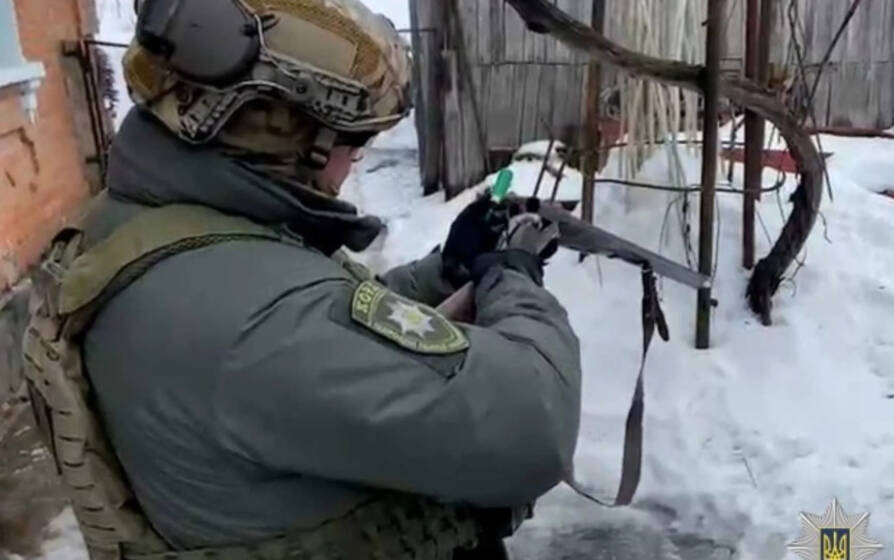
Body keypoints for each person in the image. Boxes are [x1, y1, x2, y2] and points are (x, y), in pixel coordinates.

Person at [21, 0, 581, 558]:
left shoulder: (150, 227)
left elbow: (338, 336)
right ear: (285, 134)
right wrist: (515, 278)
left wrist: (445, 271)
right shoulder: (251, 321)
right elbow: (531, 425)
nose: (354, 161)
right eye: (353, 142)